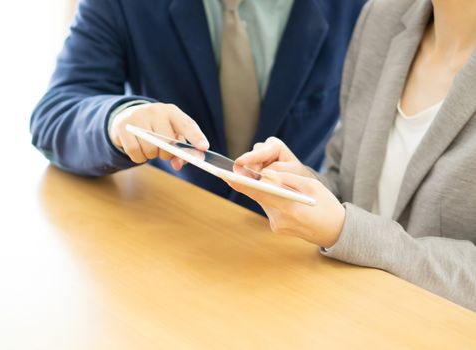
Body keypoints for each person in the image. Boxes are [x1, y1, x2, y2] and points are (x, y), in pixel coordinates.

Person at [227, 0, 476, 310]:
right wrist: (301, 183)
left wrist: (346, 230)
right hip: (340, 307)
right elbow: (346, 184)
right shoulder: (381, 17)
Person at [30, 0, 366, 213]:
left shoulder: (361, 9)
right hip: (174, 231)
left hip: (298, 246)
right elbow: (55, 115)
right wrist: (120, 120)